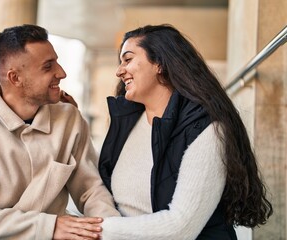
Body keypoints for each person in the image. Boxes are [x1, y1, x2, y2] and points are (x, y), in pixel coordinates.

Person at [0, 24, 120, 240]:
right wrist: (49, 227)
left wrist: (114, 230)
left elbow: (91, 190)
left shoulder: (69, 119)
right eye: (47, 67)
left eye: (57, 62)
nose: (61, 73)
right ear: (15, 78)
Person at [98, 24, 273, 240]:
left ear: (159, 64)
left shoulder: (207, 128)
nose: (119, 71)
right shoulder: (126, 120)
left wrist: (92, 231)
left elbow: (181, 228)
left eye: (128, 59)